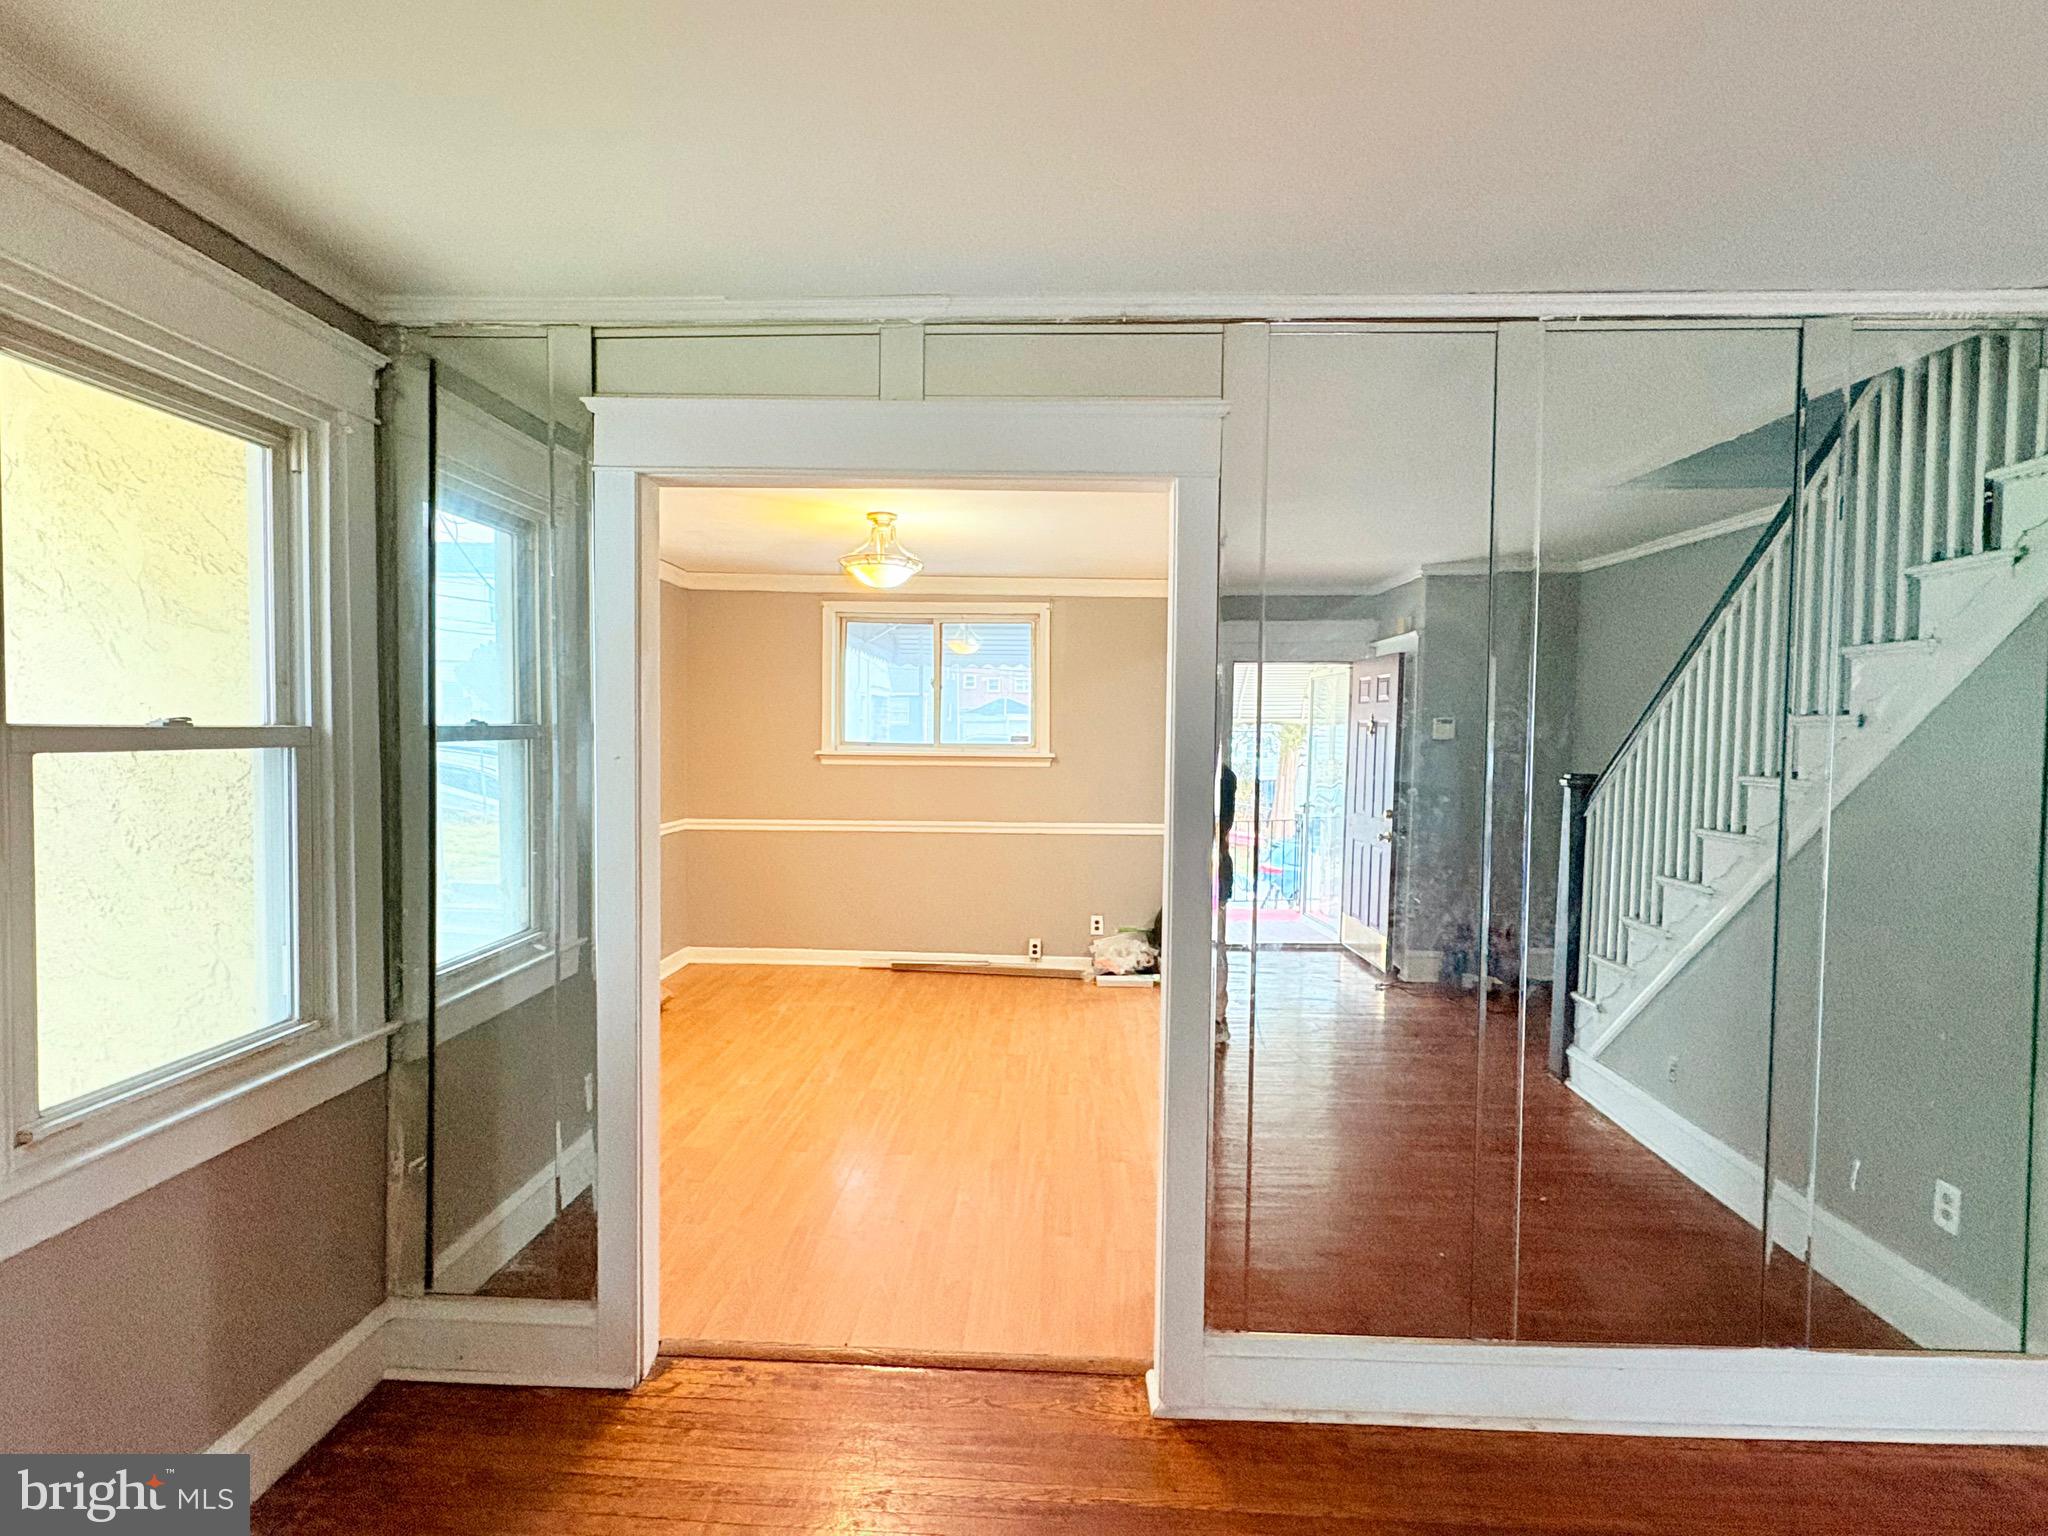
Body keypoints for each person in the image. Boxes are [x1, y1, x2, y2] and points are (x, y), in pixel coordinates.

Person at [1215, 760, 1237, 1048]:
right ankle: (1217, 1019)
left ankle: (1218, 1019)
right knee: (1216, 949)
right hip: (1217, 873)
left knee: (1216, 950)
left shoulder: (1225, 779)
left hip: (1217, 875)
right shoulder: (1226, 778)